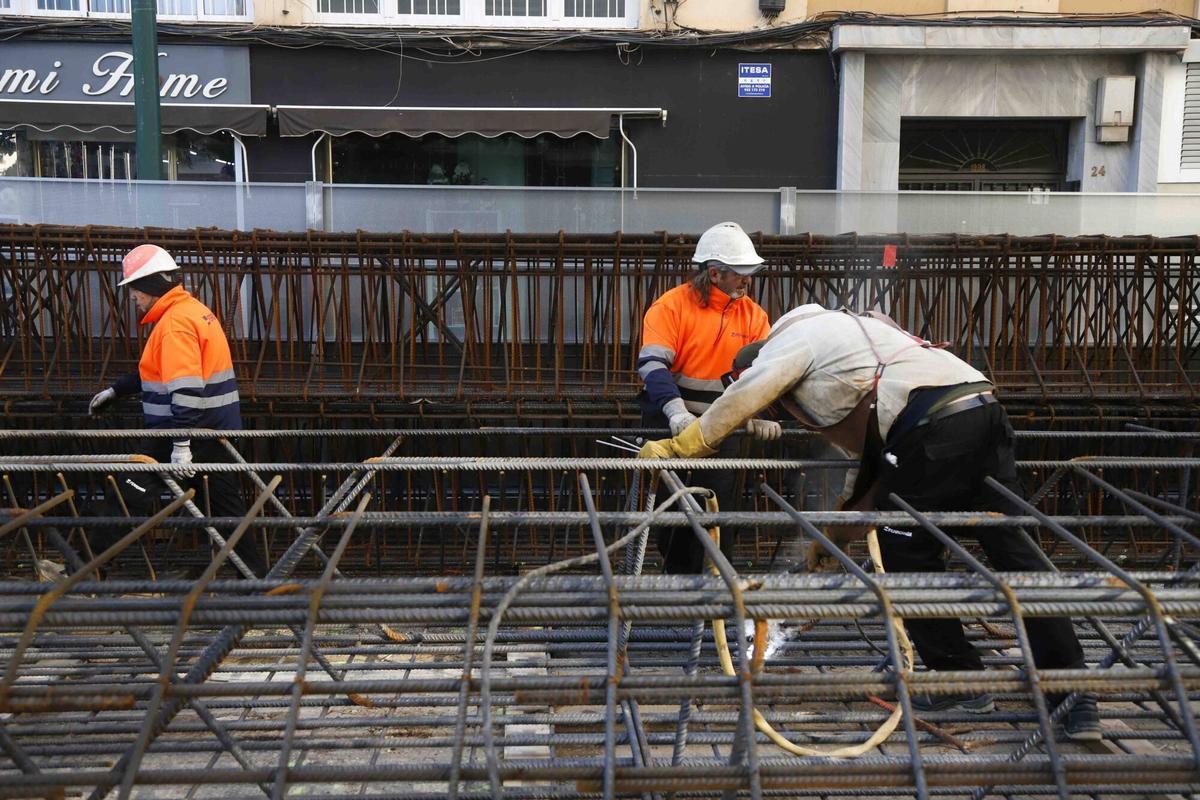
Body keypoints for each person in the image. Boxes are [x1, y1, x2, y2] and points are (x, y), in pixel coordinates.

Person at [638, 303, 1101, 741]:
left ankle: (961, 682)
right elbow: (875, 475)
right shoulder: (856, 338)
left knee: (907, 558)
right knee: (1016, 554)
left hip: (931, 430)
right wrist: (835, 538)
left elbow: (745, 396)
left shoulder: (794, 340)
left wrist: (686, 444)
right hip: (981, 411)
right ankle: (1074, 696)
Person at [88, 244, 267, 577]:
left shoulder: (175, 324)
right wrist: (118, 390)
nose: (132, 296)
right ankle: (254, 577)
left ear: (153, 284)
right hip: (214, 431)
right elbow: (161, 370)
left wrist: (181, 444)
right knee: (225, 508)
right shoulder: (192, 311)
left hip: (184, 432)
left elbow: (185, 388)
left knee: (127, 492)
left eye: (135, 288)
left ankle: (84, 567)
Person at [636, 221, 780, 573]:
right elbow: (653, 366)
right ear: (714, 274)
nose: (748, 281)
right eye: (740, 274)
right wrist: (676, 413)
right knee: (673, 515)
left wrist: (757, 413)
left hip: (722, 427)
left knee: (718, 513)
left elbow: (763, 376)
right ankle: (679, 587)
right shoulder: (671, 307)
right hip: (670, 423)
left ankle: (717, 587)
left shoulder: (754, 316)